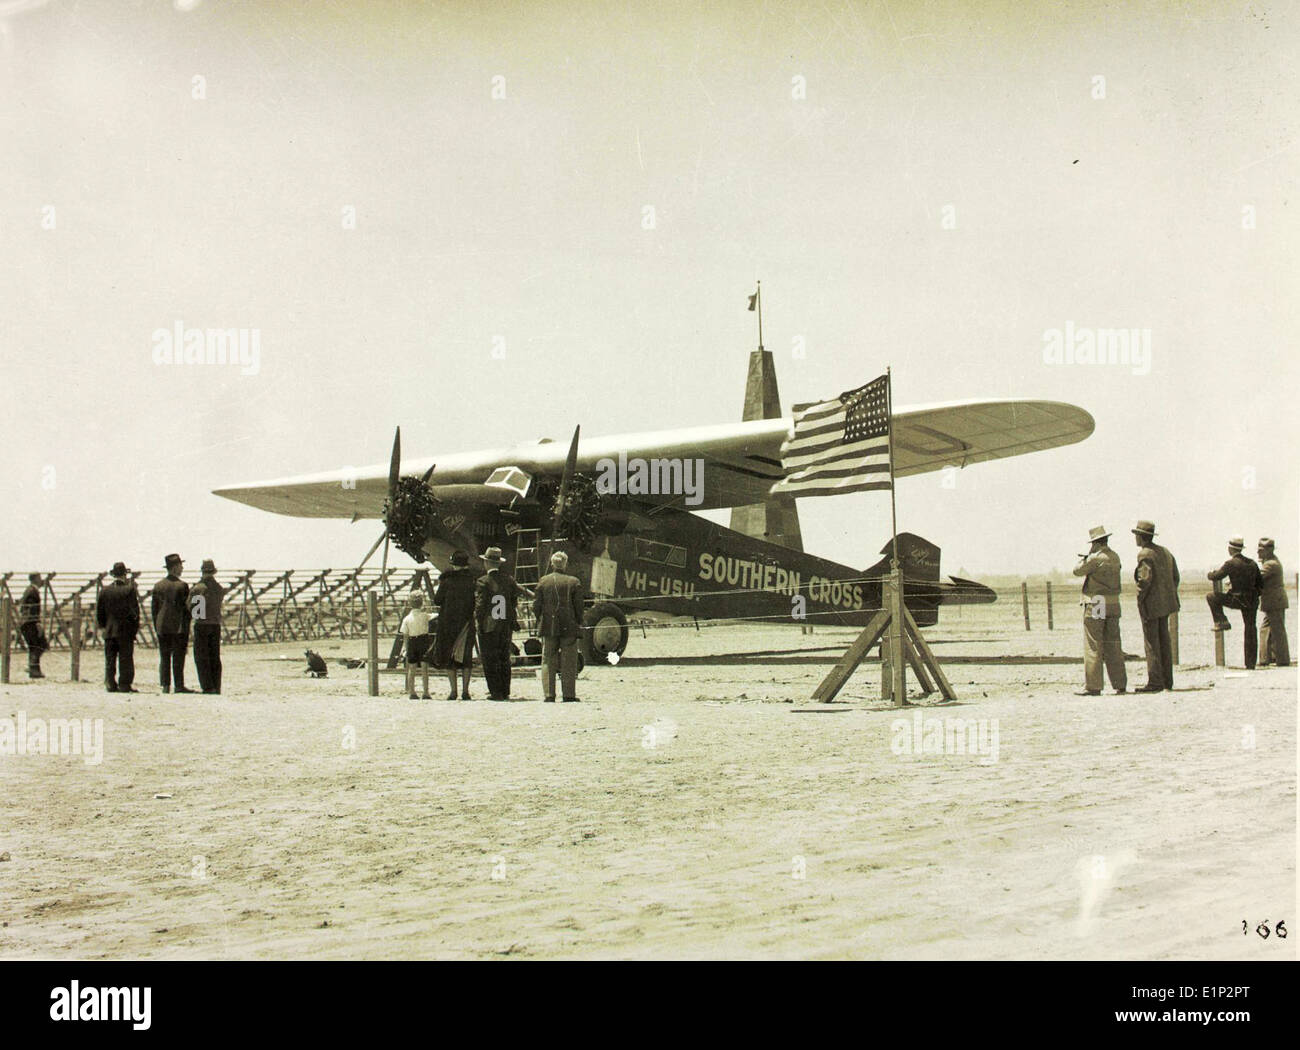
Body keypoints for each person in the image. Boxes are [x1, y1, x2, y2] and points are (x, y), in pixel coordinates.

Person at [1071, 525, 1126, 695]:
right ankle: (1119, 683)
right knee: (1114, 644)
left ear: (1094, 542)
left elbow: (1077, 571)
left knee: (1094, 643)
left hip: (1098, 602)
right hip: (1113, 603)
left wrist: (1086, 556)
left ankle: (1093, 686)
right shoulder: (1114, 556)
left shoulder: (1095, 558)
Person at [1132, 520, 1180, 692]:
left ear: (1141, 537)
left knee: (1152, 643)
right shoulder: (1165, 552)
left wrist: (1140, 598)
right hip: (1167, 604)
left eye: (1136, 535)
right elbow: (1176, 577)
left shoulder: (1145, 554)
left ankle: (1155, 682)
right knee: (1164, 642)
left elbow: (1144, 580)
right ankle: (1167, 681)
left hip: (1151, 606)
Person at [533, 550, 585, 702]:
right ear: (565, 564)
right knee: (569, 660)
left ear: (551, 564)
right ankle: (569, 694)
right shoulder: (574, 582)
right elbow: (579, 606)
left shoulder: (543, 581)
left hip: (549, 625)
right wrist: (579, 621)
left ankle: (549, 694)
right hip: (569, 626)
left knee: (548, 659)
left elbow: (536, 605)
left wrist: (540, 619)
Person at [1205, 536, 1262, 669]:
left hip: (1237, 599)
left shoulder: (1230, 563)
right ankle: (1250, 663)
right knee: (1250, 629)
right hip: (1252, 600)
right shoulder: (1252, 563)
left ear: (1230, 549)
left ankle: (1222, 621)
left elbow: (1216, 576)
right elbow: (1260, 584)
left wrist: (1209, 573)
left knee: (1211, 597)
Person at [475, 546, 520, 701]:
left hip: (489, 624)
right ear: (499, 563)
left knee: (489, 658)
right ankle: (505, 689)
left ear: (486, 563)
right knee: (504, 657)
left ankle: (495, 691)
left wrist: (479, 622)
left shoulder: (483, 581)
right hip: (505, 624)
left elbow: (480, 606)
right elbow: (514, 601)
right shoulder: (509, 580)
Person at [433, 550, 477, 700]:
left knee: (449, 657)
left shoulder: (446, 581)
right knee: (466, 657)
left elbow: (437, 600)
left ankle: (453, 691)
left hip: (448, 623)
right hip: (466, 622)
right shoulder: (472, 580)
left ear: (453, 564)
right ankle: (465, 691)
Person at [150, 553, 193, 694]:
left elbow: (154, 609)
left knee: (164, 656)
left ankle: (165, 685)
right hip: (178, 627)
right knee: (178, 656)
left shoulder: (158, 586)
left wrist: (157, 625)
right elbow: (187, 609)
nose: (182, 568)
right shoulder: (183, 586)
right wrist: (187, 626)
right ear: (175, 568)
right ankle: (179, 685)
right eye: (180, 565)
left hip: (162, 626)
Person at [95, 562, 139, 693]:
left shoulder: (104, 591)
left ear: (113, 574)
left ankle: (110, 683)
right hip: (125, 631)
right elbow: (134, 613)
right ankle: (124, 684)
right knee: (125, 659)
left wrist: (104, 627)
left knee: (110, 658)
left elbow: (99, 613)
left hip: (109, 630)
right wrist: (134, 629)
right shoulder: (129, 590)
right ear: (124, 574)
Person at [190, 559, 225, 694]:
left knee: (201, 657)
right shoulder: (219, 588)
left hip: (201, 624)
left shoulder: (197, 588)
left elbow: (191, 608)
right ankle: (216, 685)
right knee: (214, 656)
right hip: (215, 624)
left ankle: (207, 686)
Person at [1257, 538, 1291, 667]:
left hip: (1274, 601)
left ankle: (1279, 659)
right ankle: (1270, 658)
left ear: (1268, 551)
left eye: (1261, 550)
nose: (1258, 553)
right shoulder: (1270, 562)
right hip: (1275, 601)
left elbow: (1257, 578)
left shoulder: (1270, 564)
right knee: (1270, 629)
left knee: (1276, 630)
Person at [399, 591, 433, 700]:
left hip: (412, 641)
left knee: (411, 668)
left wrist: (405, 648)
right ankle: (426, 691)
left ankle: (412, 691)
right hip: (423, 641)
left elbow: (405, 635)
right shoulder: (425, 616)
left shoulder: (406, 619)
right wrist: (427, 606)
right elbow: (433, 614)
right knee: (424, 668)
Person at [17, 573, 48, 679]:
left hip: (26, 622)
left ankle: (34, 671)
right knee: (41, 644)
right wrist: (37, 623)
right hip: (30, 622)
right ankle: (32, 667)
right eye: (39, 578)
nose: (41, 580)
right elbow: (33, 609)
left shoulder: (29, 590)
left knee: (34, 646)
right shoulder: (32, 591)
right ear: (35, 579)